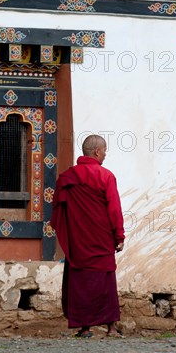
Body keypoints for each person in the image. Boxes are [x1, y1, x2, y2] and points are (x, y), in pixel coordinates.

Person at [50, 134, 125, 338]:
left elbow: (58, 209)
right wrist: (119, 235)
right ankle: (110, 328)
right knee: (105, 282)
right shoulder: (105, 176)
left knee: (81, 283)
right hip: (101, 239)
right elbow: (114, 210)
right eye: (104, 151)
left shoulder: (67, 178)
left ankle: (85, 328)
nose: (105, 155)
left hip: (78, 241)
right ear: (96, 152)